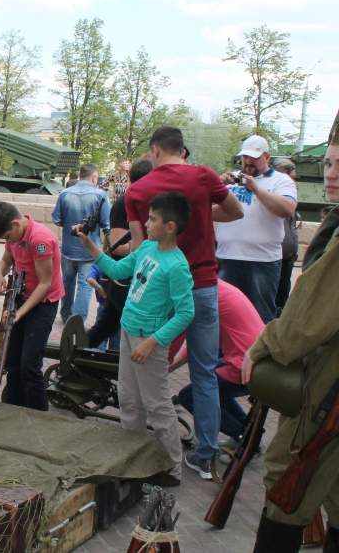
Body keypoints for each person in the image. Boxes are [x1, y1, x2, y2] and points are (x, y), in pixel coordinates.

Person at [242, 113, 339, 553]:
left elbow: (305, 319)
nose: (331, 174)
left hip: (329, 380)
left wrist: (263, 347)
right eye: (330, 163)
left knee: (289, 475)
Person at [125, 126, 243, 480]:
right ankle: (205, 455)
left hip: (161, 294)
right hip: (204, 287)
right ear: (182, 150)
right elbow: (235, 212)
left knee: (147, 373)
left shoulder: (138, 189)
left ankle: (142, 451)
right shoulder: (205, 177)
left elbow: (137, 247)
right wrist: (204, 214)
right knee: (205, 373)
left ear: (154, 151)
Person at [76, 192, 194, 485]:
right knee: (129, 400)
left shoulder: (177, 265)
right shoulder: (147, 248)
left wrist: (153, 341)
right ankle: (134, 459)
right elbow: (116, 269)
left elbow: (185, 313)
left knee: (157, 405)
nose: (146, 222)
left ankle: (172, 469)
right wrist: (90, 245)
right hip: (129, 333)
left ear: (170, 226)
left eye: (152, 219)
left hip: (148, 343)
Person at [170, 279, 265, 464]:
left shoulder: (199, 294)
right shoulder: (216, 286)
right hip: (257, 358)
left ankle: (245, 439)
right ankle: (250, 434)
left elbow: (179, 339)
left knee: (189, 396)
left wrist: (164, 366)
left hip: (245, 365)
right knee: (210, 380)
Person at [0, 202, 64, 411]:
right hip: (20, 298)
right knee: (12, 363)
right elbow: (6, 260)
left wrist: (19, 312)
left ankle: (38, 415)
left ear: (15, 224)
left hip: (43, 304)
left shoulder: (40, 239)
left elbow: (45, 284)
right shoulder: (15, 234)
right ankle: (13, 410)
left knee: (29, 366)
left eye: (7, 237)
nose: (7, 241)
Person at [215, 136, 298, 324]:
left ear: (267, 158)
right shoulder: (232, 178)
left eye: (254, 157)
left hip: (262, 260)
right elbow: (208, 210)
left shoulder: (281, 180)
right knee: (224, 316)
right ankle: (225, 354)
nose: (248, 162)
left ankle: (258, 354)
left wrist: (256, 188)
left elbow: (287, 209)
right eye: (245, 157)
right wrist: (216, 187)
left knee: (260, 315)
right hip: (227, 257)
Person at [86, 159, 154, 351]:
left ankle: (79, 355)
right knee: (123, 325)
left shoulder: (142, 202)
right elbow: (116, 247)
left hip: (126, 277)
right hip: (122, 281)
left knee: (108, 324)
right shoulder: (125, 203)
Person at [51, 162, 110, 324]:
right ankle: (76, 321)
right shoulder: (100, 195)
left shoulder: (64, 194)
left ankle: (65, 314)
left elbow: (57, 219)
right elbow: (107, 224)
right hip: (90, 249)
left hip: (69, 247)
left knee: (67, 282)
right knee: (85, 284)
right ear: (94, 178)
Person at [269, 158, 301, 316]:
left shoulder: (290, 198)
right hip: (272, 259)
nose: (293, 181)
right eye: (291, 177)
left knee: (282, 300)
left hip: (287, 260)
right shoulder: (268, 198)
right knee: (269, 301)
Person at [85, 264, 119, 351]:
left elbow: (90, 279)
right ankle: (112, 359)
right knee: (116, 336)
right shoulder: (119, 265)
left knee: (101, 336)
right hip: (117, 306)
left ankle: (98, 354)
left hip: (104, 304)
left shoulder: (99, 264)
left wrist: (100, 289)